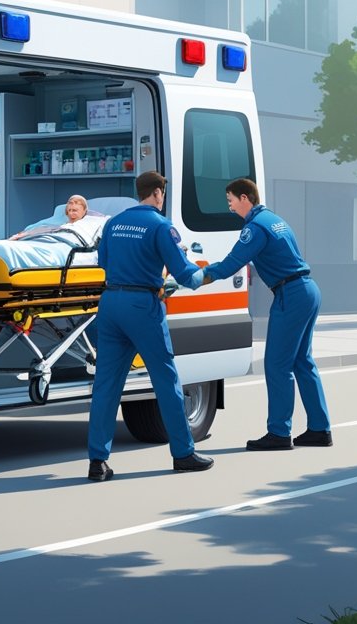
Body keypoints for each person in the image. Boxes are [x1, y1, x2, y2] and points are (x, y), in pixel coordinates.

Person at [86, 172, 214, 481]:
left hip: (111, 303)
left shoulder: (113, 224)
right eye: (162, 194)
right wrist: (208, 273)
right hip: (142, 307)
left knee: (105, 385)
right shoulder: (160, 226)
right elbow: (185, 276)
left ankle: (97, 462)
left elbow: (103, 262)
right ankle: (183, 453)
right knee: (166, 380)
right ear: (157, 193)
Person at [202, 178, 331, 450]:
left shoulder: (254, 228)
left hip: (291, 295)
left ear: (245, 198)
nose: (230, 208)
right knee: (302, 362)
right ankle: (320, 429)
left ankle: (279, 433)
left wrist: (199, 276)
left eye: (231, 201)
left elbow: (231, 264)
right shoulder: (274, 219)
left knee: (277, 364)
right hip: (307, 289)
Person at [9, 194, 89, 239]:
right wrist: (22, 234)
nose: (71, 214)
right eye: (69, 211)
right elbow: (45, 229)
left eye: (74, 211)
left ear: (84, 210)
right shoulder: (60, 226)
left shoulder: (86, 226)